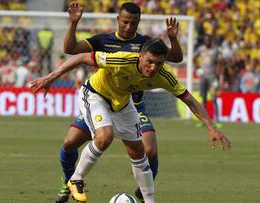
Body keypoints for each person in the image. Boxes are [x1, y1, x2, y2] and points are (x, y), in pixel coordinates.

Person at [30, 38, 231, 203]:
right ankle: (76, 179)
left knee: (138, 150)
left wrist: (210, 127)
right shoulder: (122, 60)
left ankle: (149, 201)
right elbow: (82, 57)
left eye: (159, 63)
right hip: (95, 95)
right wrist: (50, 77)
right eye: (149, 61)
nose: (153, 68)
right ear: (140, 56)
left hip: (122, 104)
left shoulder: (164, 75)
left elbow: (189, 100)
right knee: (104, 136)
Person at [57, 2, 183, 202]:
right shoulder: (103, 40)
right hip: (103, 100)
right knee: (69, 142)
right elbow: (71, 49)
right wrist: (73, 24)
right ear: (118, 20)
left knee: (149, 150)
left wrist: (173, 40)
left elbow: (175, 57)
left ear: (138, 22)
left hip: (133, 105)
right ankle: (68, 183)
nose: (128, 26)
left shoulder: (146, 44)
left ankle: (143, 194)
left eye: (133, 23)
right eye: (125, 22)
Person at [194, 35, 221, 127]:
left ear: (211, 41)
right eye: (205, 41)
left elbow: (221, 62)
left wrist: (218, 72)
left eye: (208, 40)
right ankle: (204, 121)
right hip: (203, 77)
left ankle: (217, 120)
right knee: (203, 99)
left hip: (212, 77)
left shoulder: (215, 50)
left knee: (214, 98)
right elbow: (194, 58)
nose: (207, 42)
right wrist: (197, 68)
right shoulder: (201, 49)